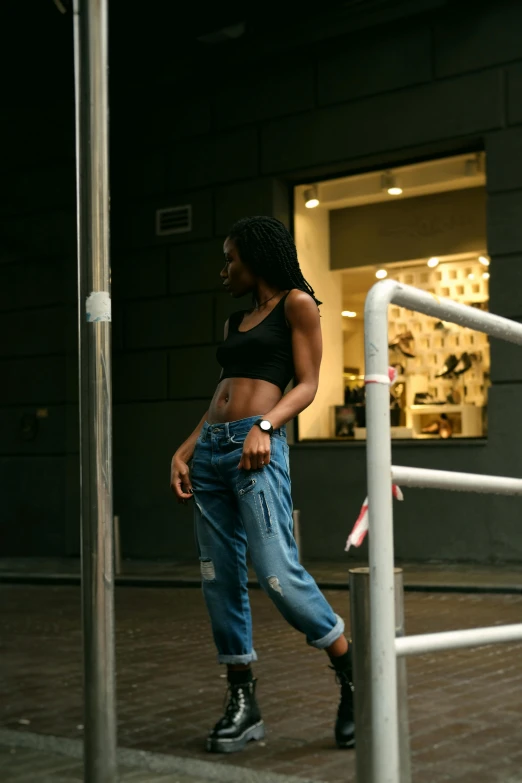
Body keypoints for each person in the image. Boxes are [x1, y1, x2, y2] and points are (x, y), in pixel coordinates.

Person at [170, 216, 354, 754]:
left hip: (257, 454)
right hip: (212, 454)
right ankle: (243, 701)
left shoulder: (299, 303)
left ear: (255, 257)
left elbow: (309, 383)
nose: (224, 270)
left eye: (231, 259)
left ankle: (351, 673)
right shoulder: (236, 321)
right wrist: (186, 448)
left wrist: (266, 426)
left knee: (276, 574)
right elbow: (221, 395)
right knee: (219, 578)